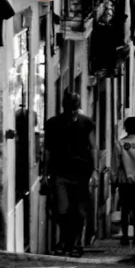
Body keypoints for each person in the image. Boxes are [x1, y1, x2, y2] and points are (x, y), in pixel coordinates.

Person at [44, 92, 95, 256]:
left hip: (82, 173)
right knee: (63, 210)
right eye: (70, 109)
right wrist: (45, 173)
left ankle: (76, 244)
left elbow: (93, 147)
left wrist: (94, 172)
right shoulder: (53, 123)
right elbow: (48, 150)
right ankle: (65, 241)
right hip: (60, 172)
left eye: (74, 109)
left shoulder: (86, 123)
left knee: (79, 211)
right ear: (64, 107)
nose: (72, 112)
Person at [116, 116, 135, 245]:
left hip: (125, 182)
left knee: (125, 211)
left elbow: (116, 163)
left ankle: (125, 236)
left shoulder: (120, 144)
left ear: (126, 128)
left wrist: (114, 179)